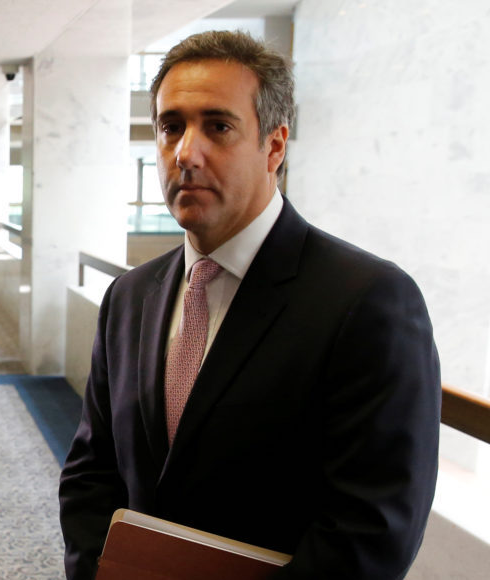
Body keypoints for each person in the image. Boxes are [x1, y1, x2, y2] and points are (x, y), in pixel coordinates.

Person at [58, 31, 441, 580]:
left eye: (218, 126)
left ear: (275, 146)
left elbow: (370, 531)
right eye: (171, 127)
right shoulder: (130, 296)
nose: (186, 153)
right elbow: (91, 473)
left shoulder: (367, 300)